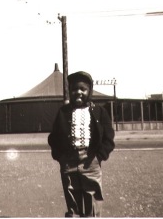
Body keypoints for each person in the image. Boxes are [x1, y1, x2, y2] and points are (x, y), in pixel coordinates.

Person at [48, 71, 115, 217]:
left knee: (92, 197)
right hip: (68, 161)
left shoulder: (99, 111)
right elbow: (54, 137)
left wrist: (99, 156)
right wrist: (60, 157)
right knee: (71, 195)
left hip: (91, 160)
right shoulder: (63, 112)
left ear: (89, 91)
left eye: (83, 89)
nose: (78, 92)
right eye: (74, 89)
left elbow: (109, 137)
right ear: (69, 91)